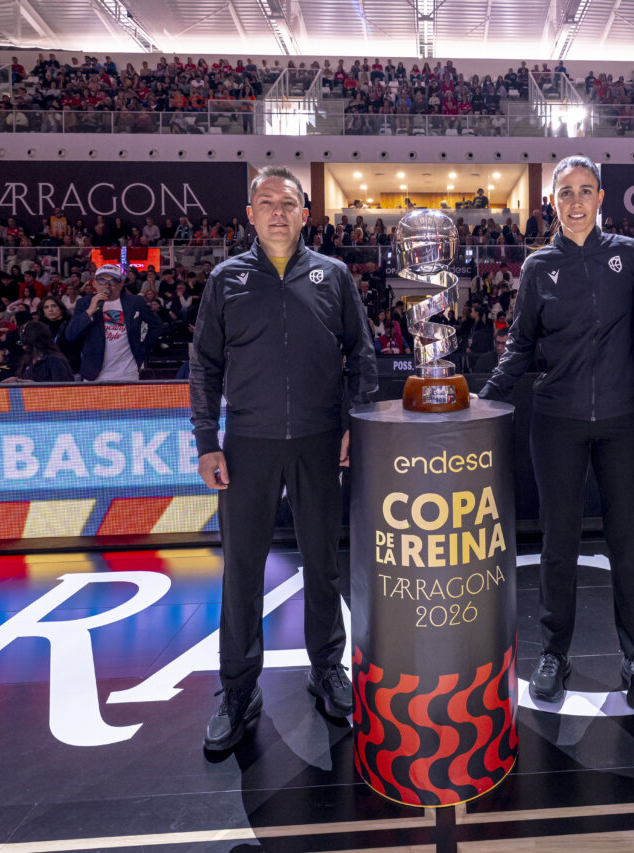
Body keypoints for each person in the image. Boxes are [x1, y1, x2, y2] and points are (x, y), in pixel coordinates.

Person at [190, 165, 377, 752]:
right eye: (265, 203)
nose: (277, 212)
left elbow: (361, 354)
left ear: (305, 212)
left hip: (321, 439)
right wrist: (206, 440)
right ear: (250, 214)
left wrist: (354, 421)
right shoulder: (226, 279)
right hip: (247, 443)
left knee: (322, 562)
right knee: (242, 568)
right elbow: (204, 367)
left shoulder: (334, 275)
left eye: (288, 203)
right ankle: (239, 687)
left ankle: (326, 666)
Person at [479, 155, 634, 713]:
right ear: (552, 202)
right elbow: (521, 345)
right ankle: (554, 653)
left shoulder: (630, 257)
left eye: (586, 191)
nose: (576, 202)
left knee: (628, 545)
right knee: (558, 544)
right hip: (555, 421)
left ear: (601, 198)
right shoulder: (538, 267)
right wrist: (484, 398)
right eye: (566, 193)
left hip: (623, 422)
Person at [66, 264, 164, 381]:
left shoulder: (135, 302)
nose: (107, 285)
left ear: (121, 284)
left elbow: (157, 325)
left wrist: (142, 349)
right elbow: (71, 335)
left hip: (127, 372)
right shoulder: (85, 303)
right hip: (94, 373)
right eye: (102, 280)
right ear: (94, 283)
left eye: (113, 281)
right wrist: (90, 311)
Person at [7, 321, 73, 383]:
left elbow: (64, 389)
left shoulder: (55, 360)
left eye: (24, 336)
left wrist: (36, 386)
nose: (21, 340)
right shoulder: (27, 360)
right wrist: (17, 380)